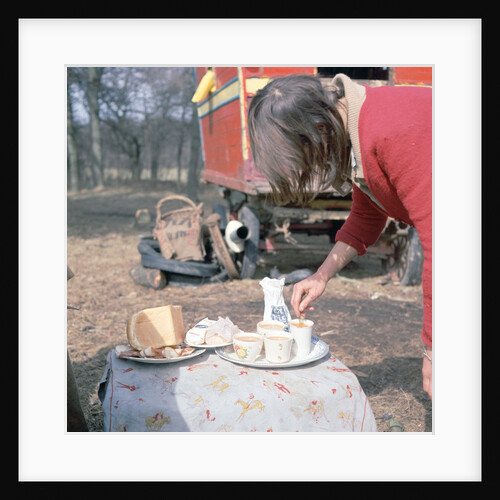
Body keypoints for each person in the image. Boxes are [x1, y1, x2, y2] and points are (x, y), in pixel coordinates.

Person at [247, 73, 432, 399]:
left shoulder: (390, 131)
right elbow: (368, 213)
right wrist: (322, 275)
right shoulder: (358, 132)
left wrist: (434, 350)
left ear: (317, 130)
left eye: (304, 157)